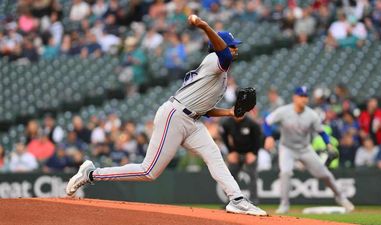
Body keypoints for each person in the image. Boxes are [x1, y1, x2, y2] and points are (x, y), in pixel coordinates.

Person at [66, 14, 266, 216]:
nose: (235, 48)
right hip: (175, 116)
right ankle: (91, 174)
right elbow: (223, 53)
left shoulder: (220, 75)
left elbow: (203, 109)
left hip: (192, 120)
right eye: (232, 45)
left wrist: (230, 112)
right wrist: (204, 26)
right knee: (148, 172)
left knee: (214, 156)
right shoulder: (216, 60)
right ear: (220, 46)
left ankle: (237, 199)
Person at [264, 86, 354, 214]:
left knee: (325, 174)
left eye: (306, 96)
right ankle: (284, 204)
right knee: (285, 172)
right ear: (294, 97)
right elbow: (267, 122)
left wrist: (328, 144)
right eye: (301, 96)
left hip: (305, 149)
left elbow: (322, 132)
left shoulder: (312, 115)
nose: (304, 99)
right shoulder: (284, 111)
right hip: (287, 148)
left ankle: (341, 197)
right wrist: (268, 137)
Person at [220, 115, 262, 204]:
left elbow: (258, 138)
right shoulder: (227, 123)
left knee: (253, 176)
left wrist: (254, 153)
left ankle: (254, 201)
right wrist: (230, 151)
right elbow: (224, 136)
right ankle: (231, 201)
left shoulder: (252, 123)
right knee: (230, 177)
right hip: (236, 152)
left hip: (250, 152)